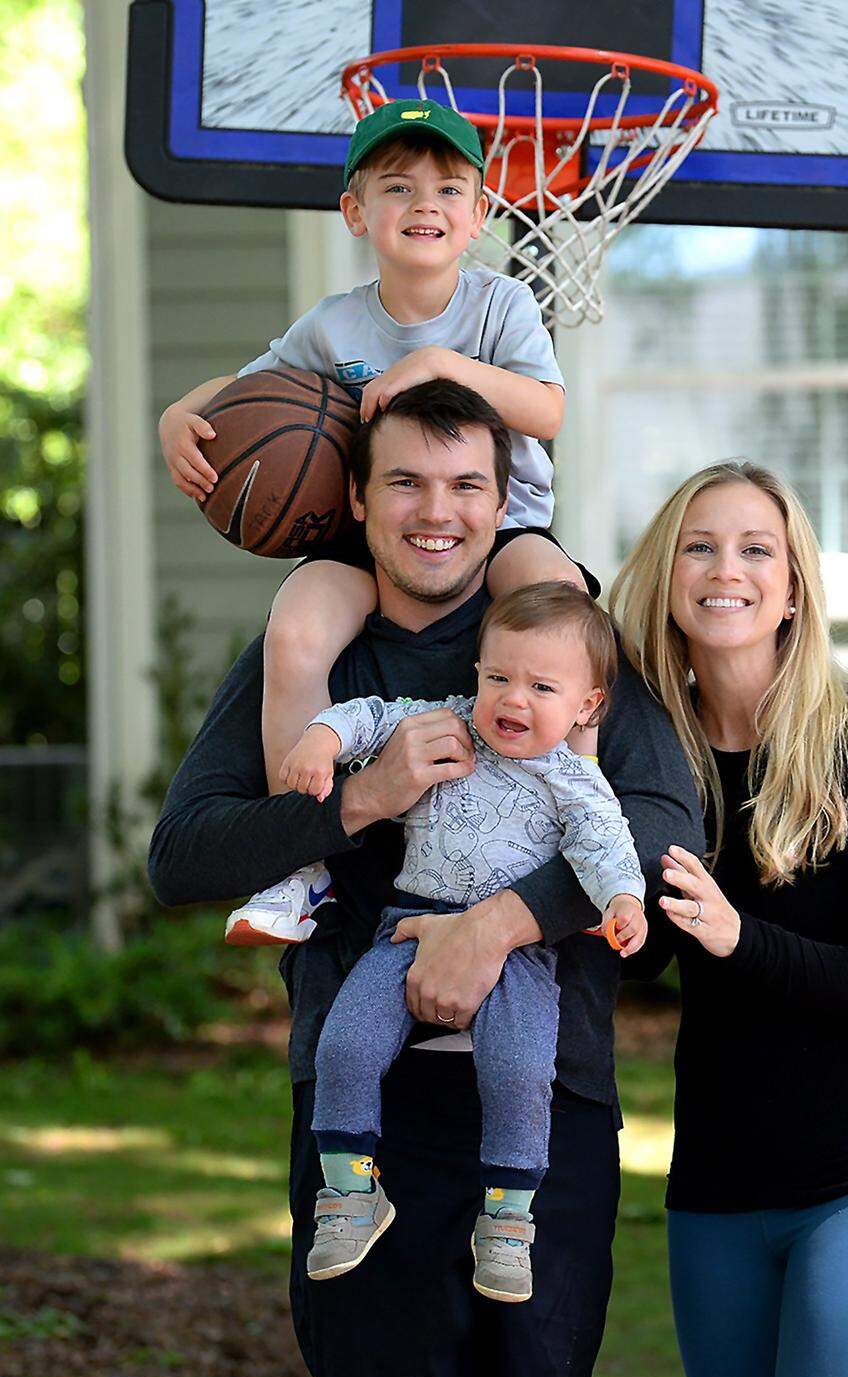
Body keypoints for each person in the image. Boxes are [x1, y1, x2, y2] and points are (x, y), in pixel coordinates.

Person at [147, 379, 704, 1377]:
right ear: (357, 500)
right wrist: (361, 798)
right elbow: (181, 854)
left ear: (502, 504)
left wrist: (496, 925)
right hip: (363, 1107)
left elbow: (662, 834)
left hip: (545, 1100)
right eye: (404, 482)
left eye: (464, 485)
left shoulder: (558, 648)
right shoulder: (315, 660)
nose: (436, 512)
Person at [157, 98, 587, 947]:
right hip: (367, 537)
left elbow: (548, 410)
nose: (424, 203)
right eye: (397, 186)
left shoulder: (501, 307)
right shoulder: (335, 324)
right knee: (296, 624)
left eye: (447, 188)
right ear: (356, 211)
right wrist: (179, 412)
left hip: (498, 530)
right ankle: (296, 859)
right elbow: (249, 396)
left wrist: (438, 364)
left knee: (559, 596)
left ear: (479, 216)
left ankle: (582, 798)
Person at [610, 459, 848, 1377]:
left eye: (756, 549)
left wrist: (740, 937)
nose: (728, 569)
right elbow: (637, 962)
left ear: (793, 588)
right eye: (701, 547)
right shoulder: (644, 754)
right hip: (715, 1190)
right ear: (667, 576)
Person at [283, 583, 647, 1301]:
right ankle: (352, 1192)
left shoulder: (575, 781)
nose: (514, 698)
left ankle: (508, 1220)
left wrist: (623, 899)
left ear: (587, 706)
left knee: (517, 1072)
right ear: (475, 675)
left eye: (543, 686)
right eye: (499, 677)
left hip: (518, 956)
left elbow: (607, 846)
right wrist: (323, 739)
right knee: (345, 1045)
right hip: (408, 924)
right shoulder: (447, 725)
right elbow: (371, 718)